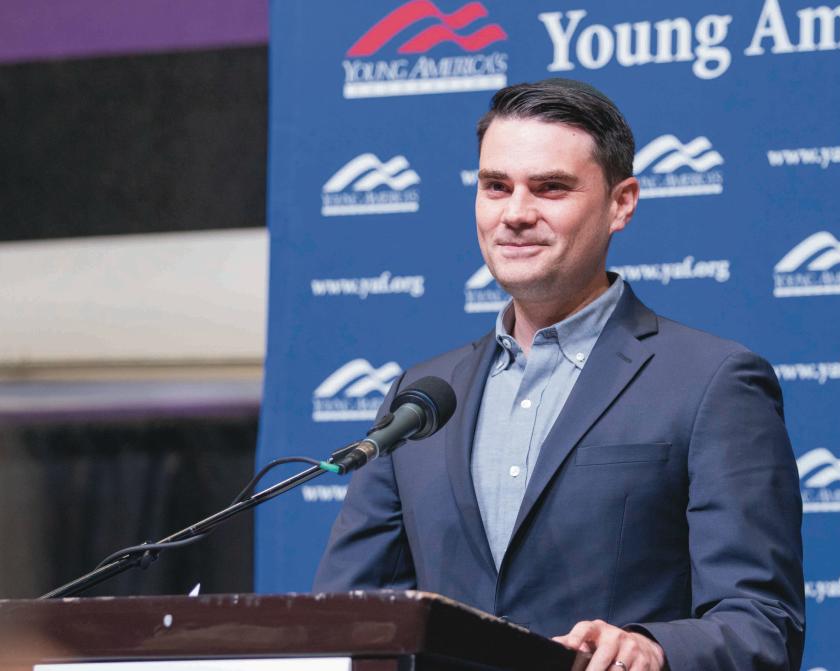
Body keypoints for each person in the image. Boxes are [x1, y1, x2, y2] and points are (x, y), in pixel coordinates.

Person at [314, 78, 804, 671]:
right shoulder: (421, 398)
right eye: (496, 186)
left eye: (550, 188)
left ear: (621, 203)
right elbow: (349, 615)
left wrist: (652, 649)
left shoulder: (713, 382)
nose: (516, 213)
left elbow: (761, 627)